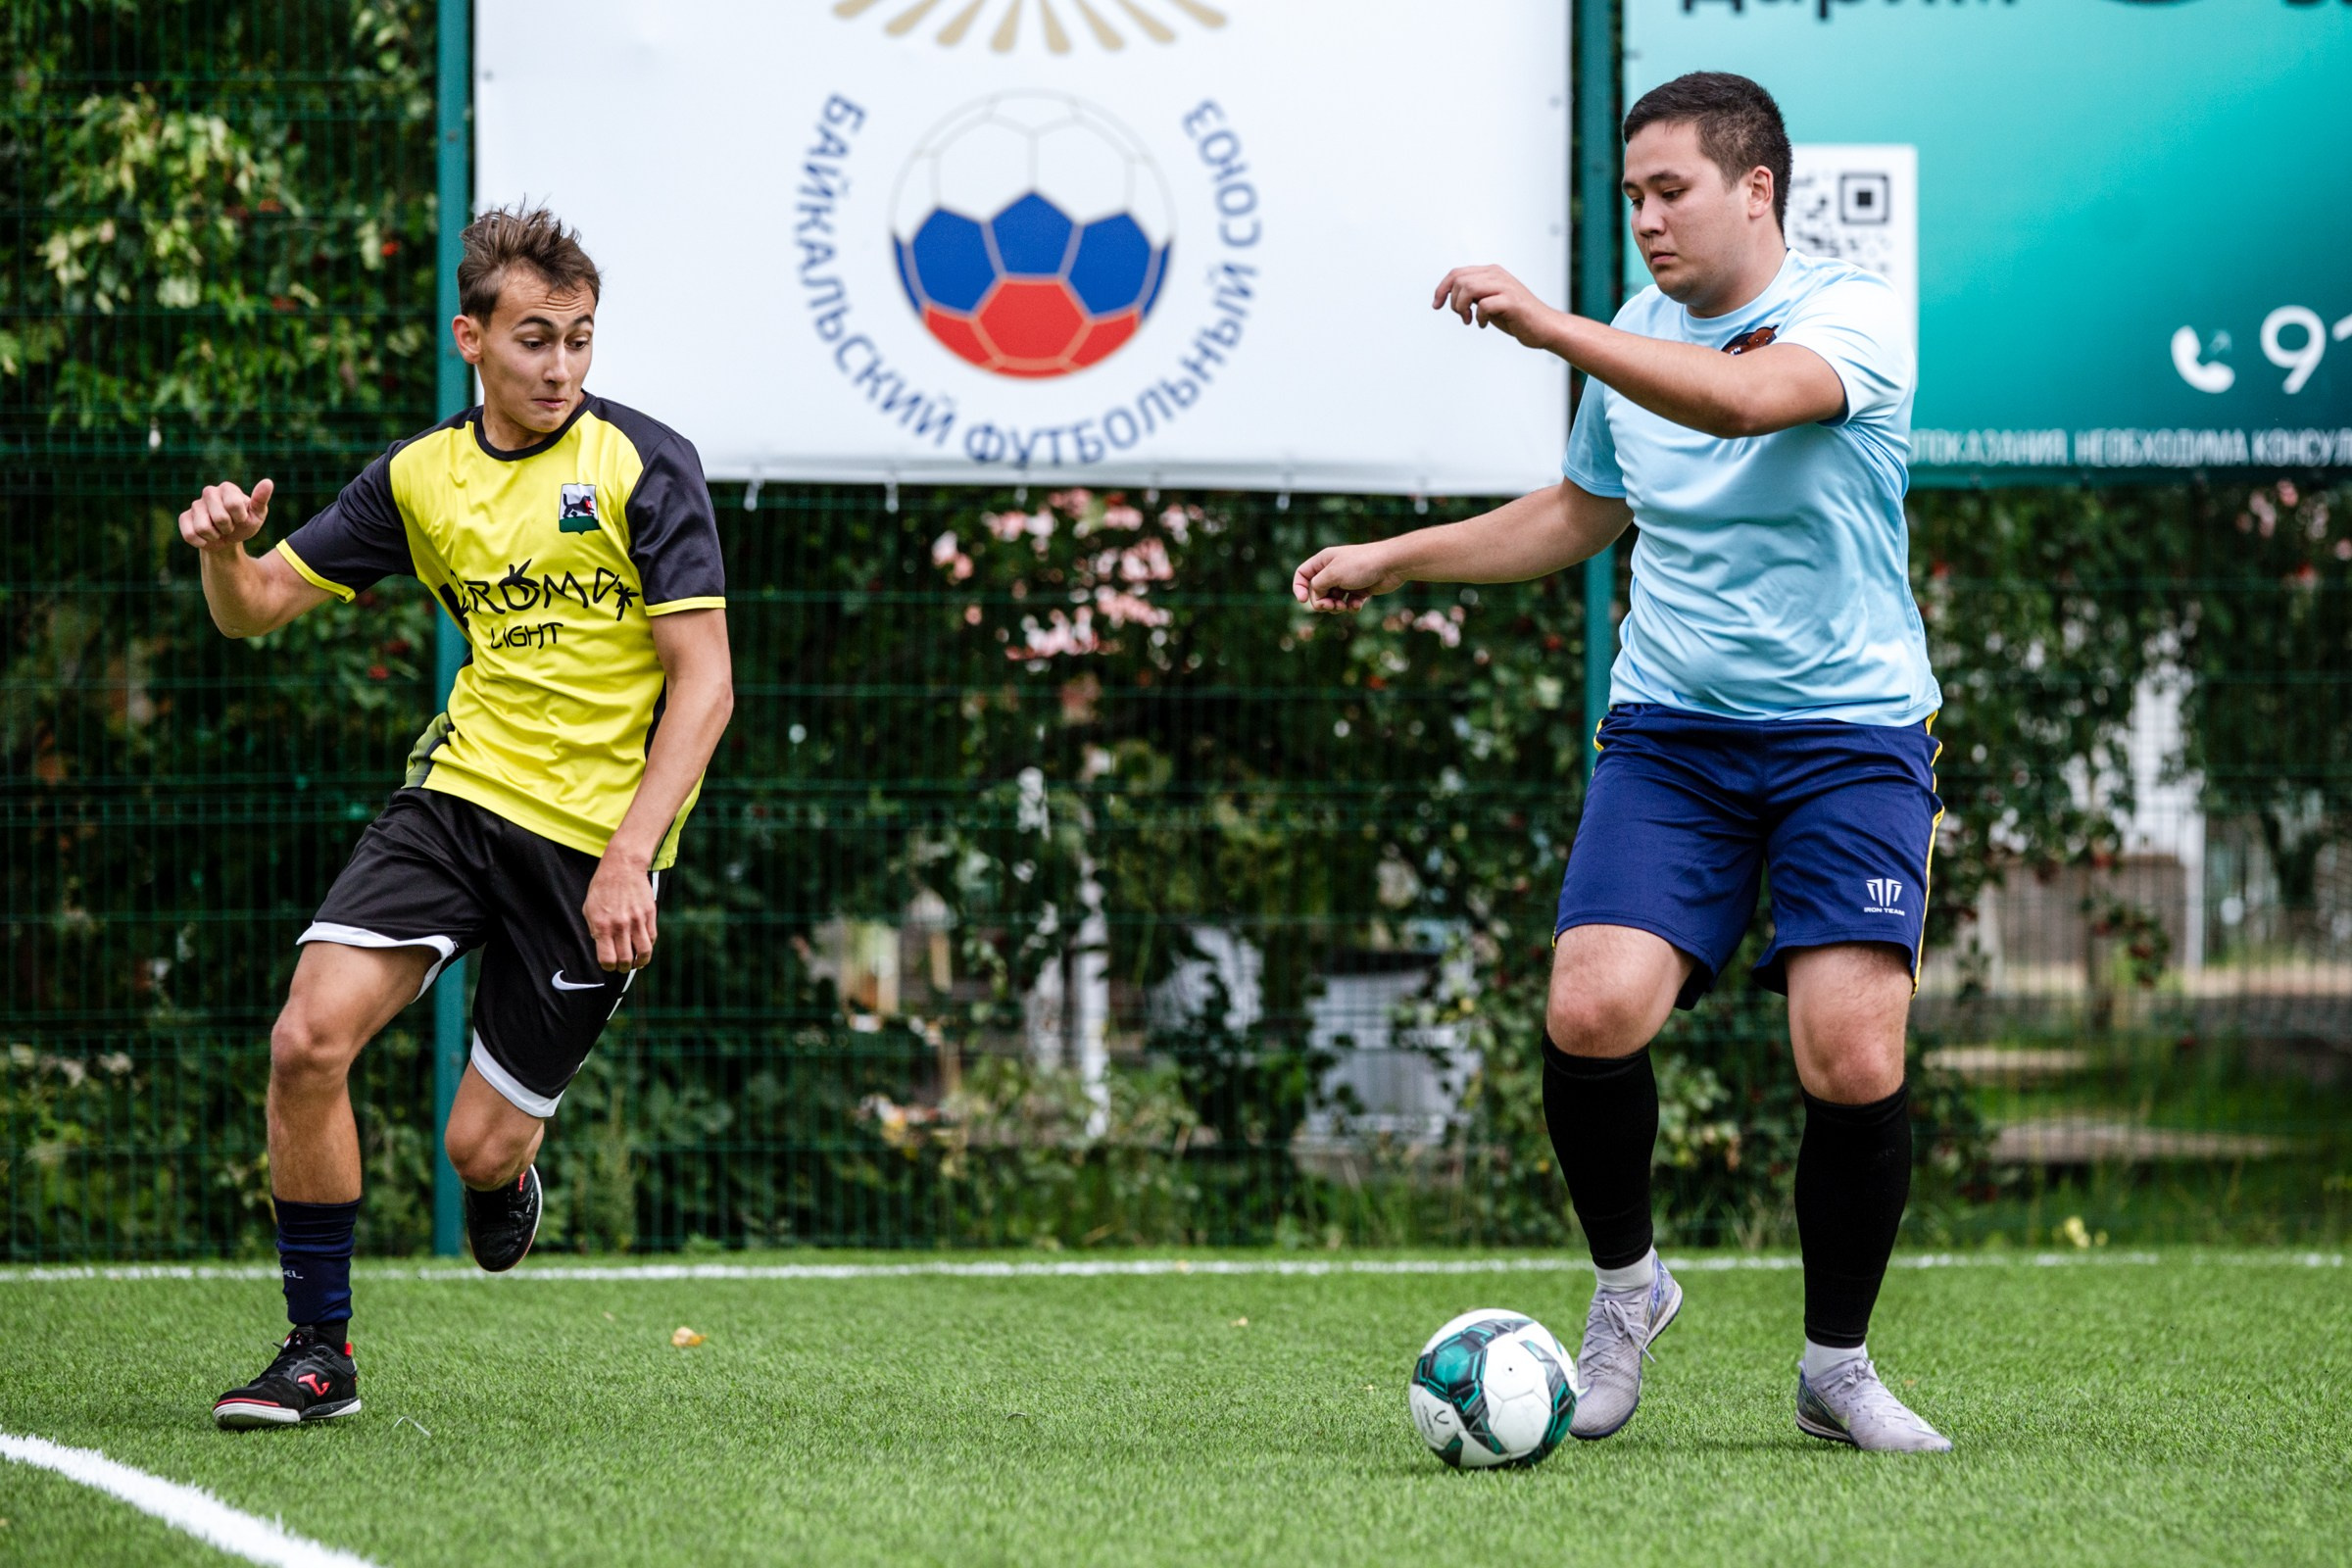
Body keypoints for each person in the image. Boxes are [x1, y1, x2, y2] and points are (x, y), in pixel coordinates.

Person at [1292, 73, 1950, 1452]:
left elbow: (1738, 404)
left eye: (1672, 192)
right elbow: (1589, 511)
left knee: (1849, 1048)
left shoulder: (1850, 318)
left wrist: (1548, 322)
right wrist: (1395, 559)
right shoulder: (1631, 341)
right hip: (1674, 735)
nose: (1645, 219)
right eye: (1632, 196)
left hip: (1850, 740)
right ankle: (1628, 1289)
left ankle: (1836, 1370)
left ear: (1755, 189)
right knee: (1591, 1011)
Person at [180, 205, 734, 1429]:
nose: (562, 368)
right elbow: (258, 604)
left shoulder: (647, 464)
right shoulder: (420, 477)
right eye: (535, 339)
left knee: (477, 1151)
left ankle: (508, 1176)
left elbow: (707, 682)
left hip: (593, 846)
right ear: (469, 338)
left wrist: (632, 854)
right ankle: (318, 1353)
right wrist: (229, 552)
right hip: (459, 796)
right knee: (305, 1038)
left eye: (581, 340)